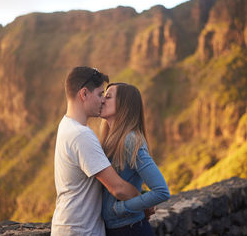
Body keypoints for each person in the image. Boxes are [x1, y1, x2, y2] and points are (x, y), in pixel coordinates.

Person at [51, 67, 141, 236]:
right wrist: (146, 202)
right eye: (100, 94)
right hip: (80, 231)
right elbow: (118, 188)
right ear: (84, 94)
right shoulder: (81, 135)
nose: (102, 100)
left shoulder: (66, 125)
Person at [100, 82, 170, 236]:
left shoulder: (130, 140)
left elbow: (161, 191)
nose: (102, 100)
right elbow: (130, 178)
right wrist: (141, 196)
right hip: (116, 229)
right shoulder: (109, 140)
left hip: (131, 229)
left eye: (108, 97)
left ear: (124, 106)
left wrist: (120, 208)